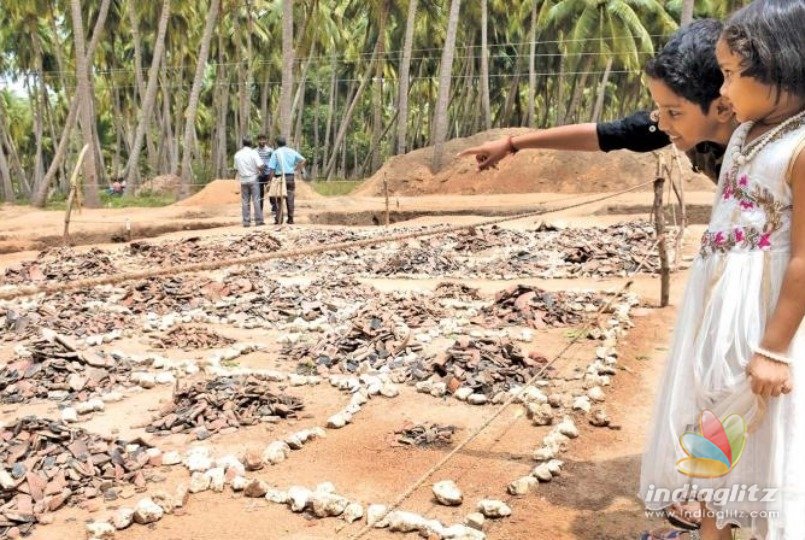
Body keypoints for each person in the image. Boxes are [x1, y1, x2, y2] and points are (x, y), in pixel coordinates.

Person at [639, 1, 805, 539]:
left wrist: (775, 348)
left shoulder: (801, 148)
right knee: (713, 419)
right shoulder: (744, 133)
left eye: (732, 74)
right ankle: (714, 531)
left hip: (766, 316)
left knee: (764, 429)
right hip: (718, 308)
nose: (724, 91)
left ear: (780, 63)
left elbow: (804, 258)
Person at [459, 19, 737, 185]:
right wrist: (511, 144)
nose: (661, 122)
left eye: (673, 112)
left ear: (723, 107)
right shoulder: (687, 122)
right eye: (661, 109)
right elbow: (606, 134)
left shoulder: (769, 149)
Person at [267, 136, 306, 225]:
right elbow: (303, 160)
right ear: (285, 143)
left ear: (277, 144)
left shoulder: (275, 153)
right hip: (290, 177)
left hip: (279, 177)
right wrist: (296, 168)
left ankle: (279, 219)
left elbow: (272, 169)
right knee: (290, 198)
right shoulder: (291, 151)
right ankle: (290, 219)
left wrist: (270, 181)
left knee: (279, 199)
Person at [233, 137, 265, 227]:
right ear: (251, 144)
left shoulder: (237, 155)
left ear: (243, 144)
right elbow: (260, 165)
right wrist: (260, 170)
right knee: (256, 200)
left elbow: (236, 168)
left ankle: (246, 221)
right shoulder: (253, 153)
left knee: (245, 201)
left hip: (243, 180)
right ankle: (258, 221)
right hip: (253, 179)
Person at [256, 134, 274, 213]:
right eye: (261, 140)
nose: (262, 141)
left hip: (268, 174)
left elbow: (274, 160)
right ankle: (260, 210)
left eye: (264, 140)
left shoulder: (270, 150)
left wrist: (272, 172)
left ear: (266, 140)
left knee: (270, 191)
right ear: (258, 141)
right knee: (260, 193)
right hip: (259, 175)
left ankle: (274, 207)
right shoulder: (255, 151)